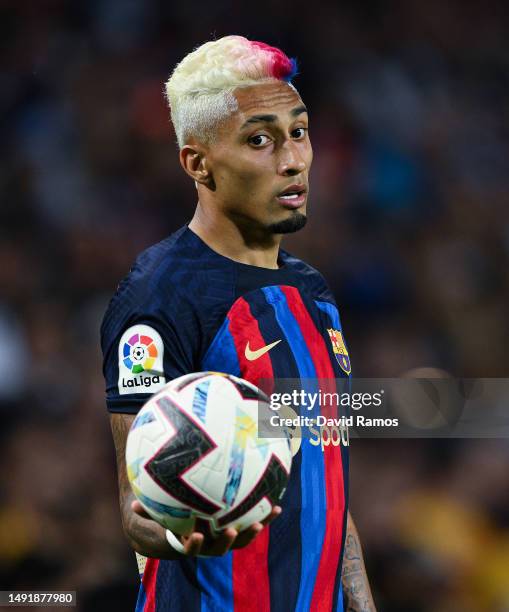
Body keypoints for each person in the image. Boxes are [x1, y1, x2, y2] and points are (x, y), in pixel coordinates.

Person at [102, 35, 375, 611]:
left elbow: (326, 478)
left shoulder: (313, 292)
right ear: (198, 162)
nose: (293, 160)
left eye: (299, 131)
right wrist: (182, 533)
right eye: (259, 140)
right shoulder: (159, 294)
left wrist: (359, 599)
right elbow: (136, 507)